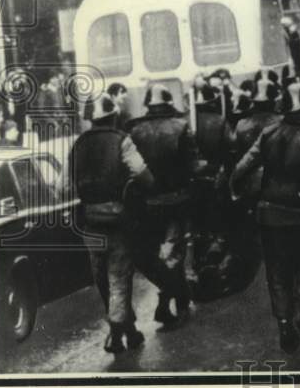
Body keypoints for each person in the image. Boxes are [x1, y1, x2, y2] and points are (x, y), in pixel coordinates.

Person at [229, 76, 300, 353]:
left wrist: (234, 187)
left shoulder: (267, 135)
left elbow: (243, 166)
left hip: (270, 213)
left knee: (277, 271)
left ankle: (283, 323)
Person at [62, 93, 154, 353]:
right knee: (119, 277)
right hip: (118, 220)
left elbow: (62, 187)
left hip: (89, 222)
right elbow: (144, 175)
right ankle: (116, 334)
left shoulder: (77, 146)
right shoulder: (122, 141)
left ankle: (131, 330)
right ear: (113, 116)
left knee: (102, 278)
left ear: (90, 120)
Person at [127, 84, 199, 326]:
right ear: (169, 103)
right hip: (177, 200)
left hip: (147, 203)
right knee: (175, 251)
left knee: (154, 256)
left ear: (148, 105)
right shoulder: (181, 127)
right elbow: (192, 166)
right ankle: (172, 300)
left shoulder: (135, 131)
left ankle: (174, 297)